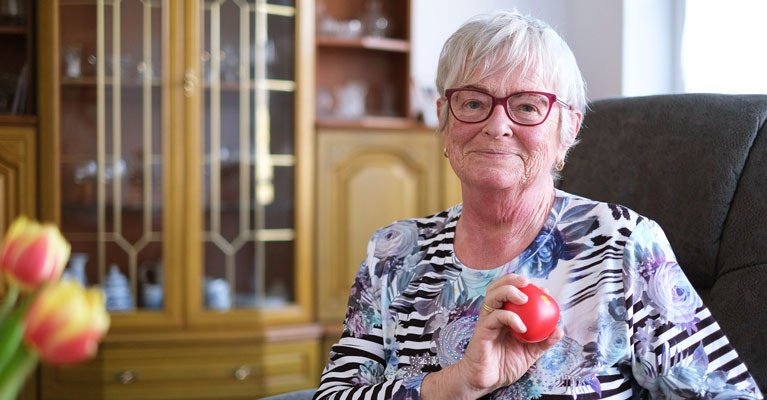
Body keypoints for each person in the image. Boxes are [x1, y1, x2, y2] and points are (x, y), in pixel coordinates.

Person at [314, 10, 763, 400]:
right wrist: (458, 384)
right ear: (444, 119)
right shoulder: (394, 252)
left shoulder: (622, 244)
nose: (497, 125)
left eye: (527, 107)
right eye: (473, 102)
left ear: (568, 129)